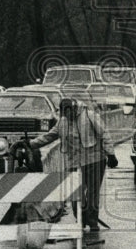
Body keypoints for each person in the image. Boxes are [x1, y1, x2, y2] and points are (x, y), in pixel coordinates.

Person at [30, 97, 118, 233]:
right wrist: (30, 144)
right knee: (75, 193)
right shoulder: (62, 122)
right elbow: (49, 137)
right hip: (73, 162)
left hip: (95, 160)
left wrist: (111, 154)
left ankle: (92, 222)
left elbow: (104, 134)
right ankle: (81, 220)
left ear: (74, 109)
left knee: (93, 193)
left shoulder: (89, 116)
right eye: (64, 114)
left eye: (69, 113)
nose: (67, 117)